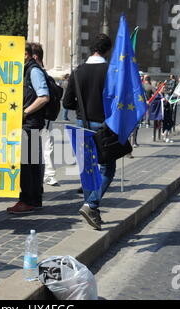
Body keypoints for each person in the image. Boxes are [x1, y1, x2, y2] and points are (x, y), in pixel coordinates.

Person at [62, 33, 113, 231]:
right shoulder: (110, 70)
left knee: (88, 170)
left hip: (81, 125)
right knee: (107, 169)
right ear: (107, 50)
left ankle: (93, 210)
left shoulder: (77, 72)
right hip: (103, 126)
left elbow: (66, 103)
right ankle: (91, 205)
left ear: (92, 48)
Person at [7, 43, 49, 213]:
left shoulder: (33, 71)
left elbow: (44, 97)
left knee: (27, 164)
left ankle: (28, 200)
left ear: (25, 54)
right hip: (28, 124)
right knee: (29, 163)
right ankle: (33, 199)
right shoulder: (28, 70)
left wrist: (24, 113)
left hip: (29, 124)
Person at [30, 42, 59, 187]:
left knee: (46, 145)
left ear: (34, 56)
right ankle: (46, 174)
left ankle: (49, 174)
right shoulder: (42, 72)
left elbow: (43, 96)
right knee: (42, 147)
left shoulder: (37, 72)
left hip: (42, 115)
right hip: (40, 116)